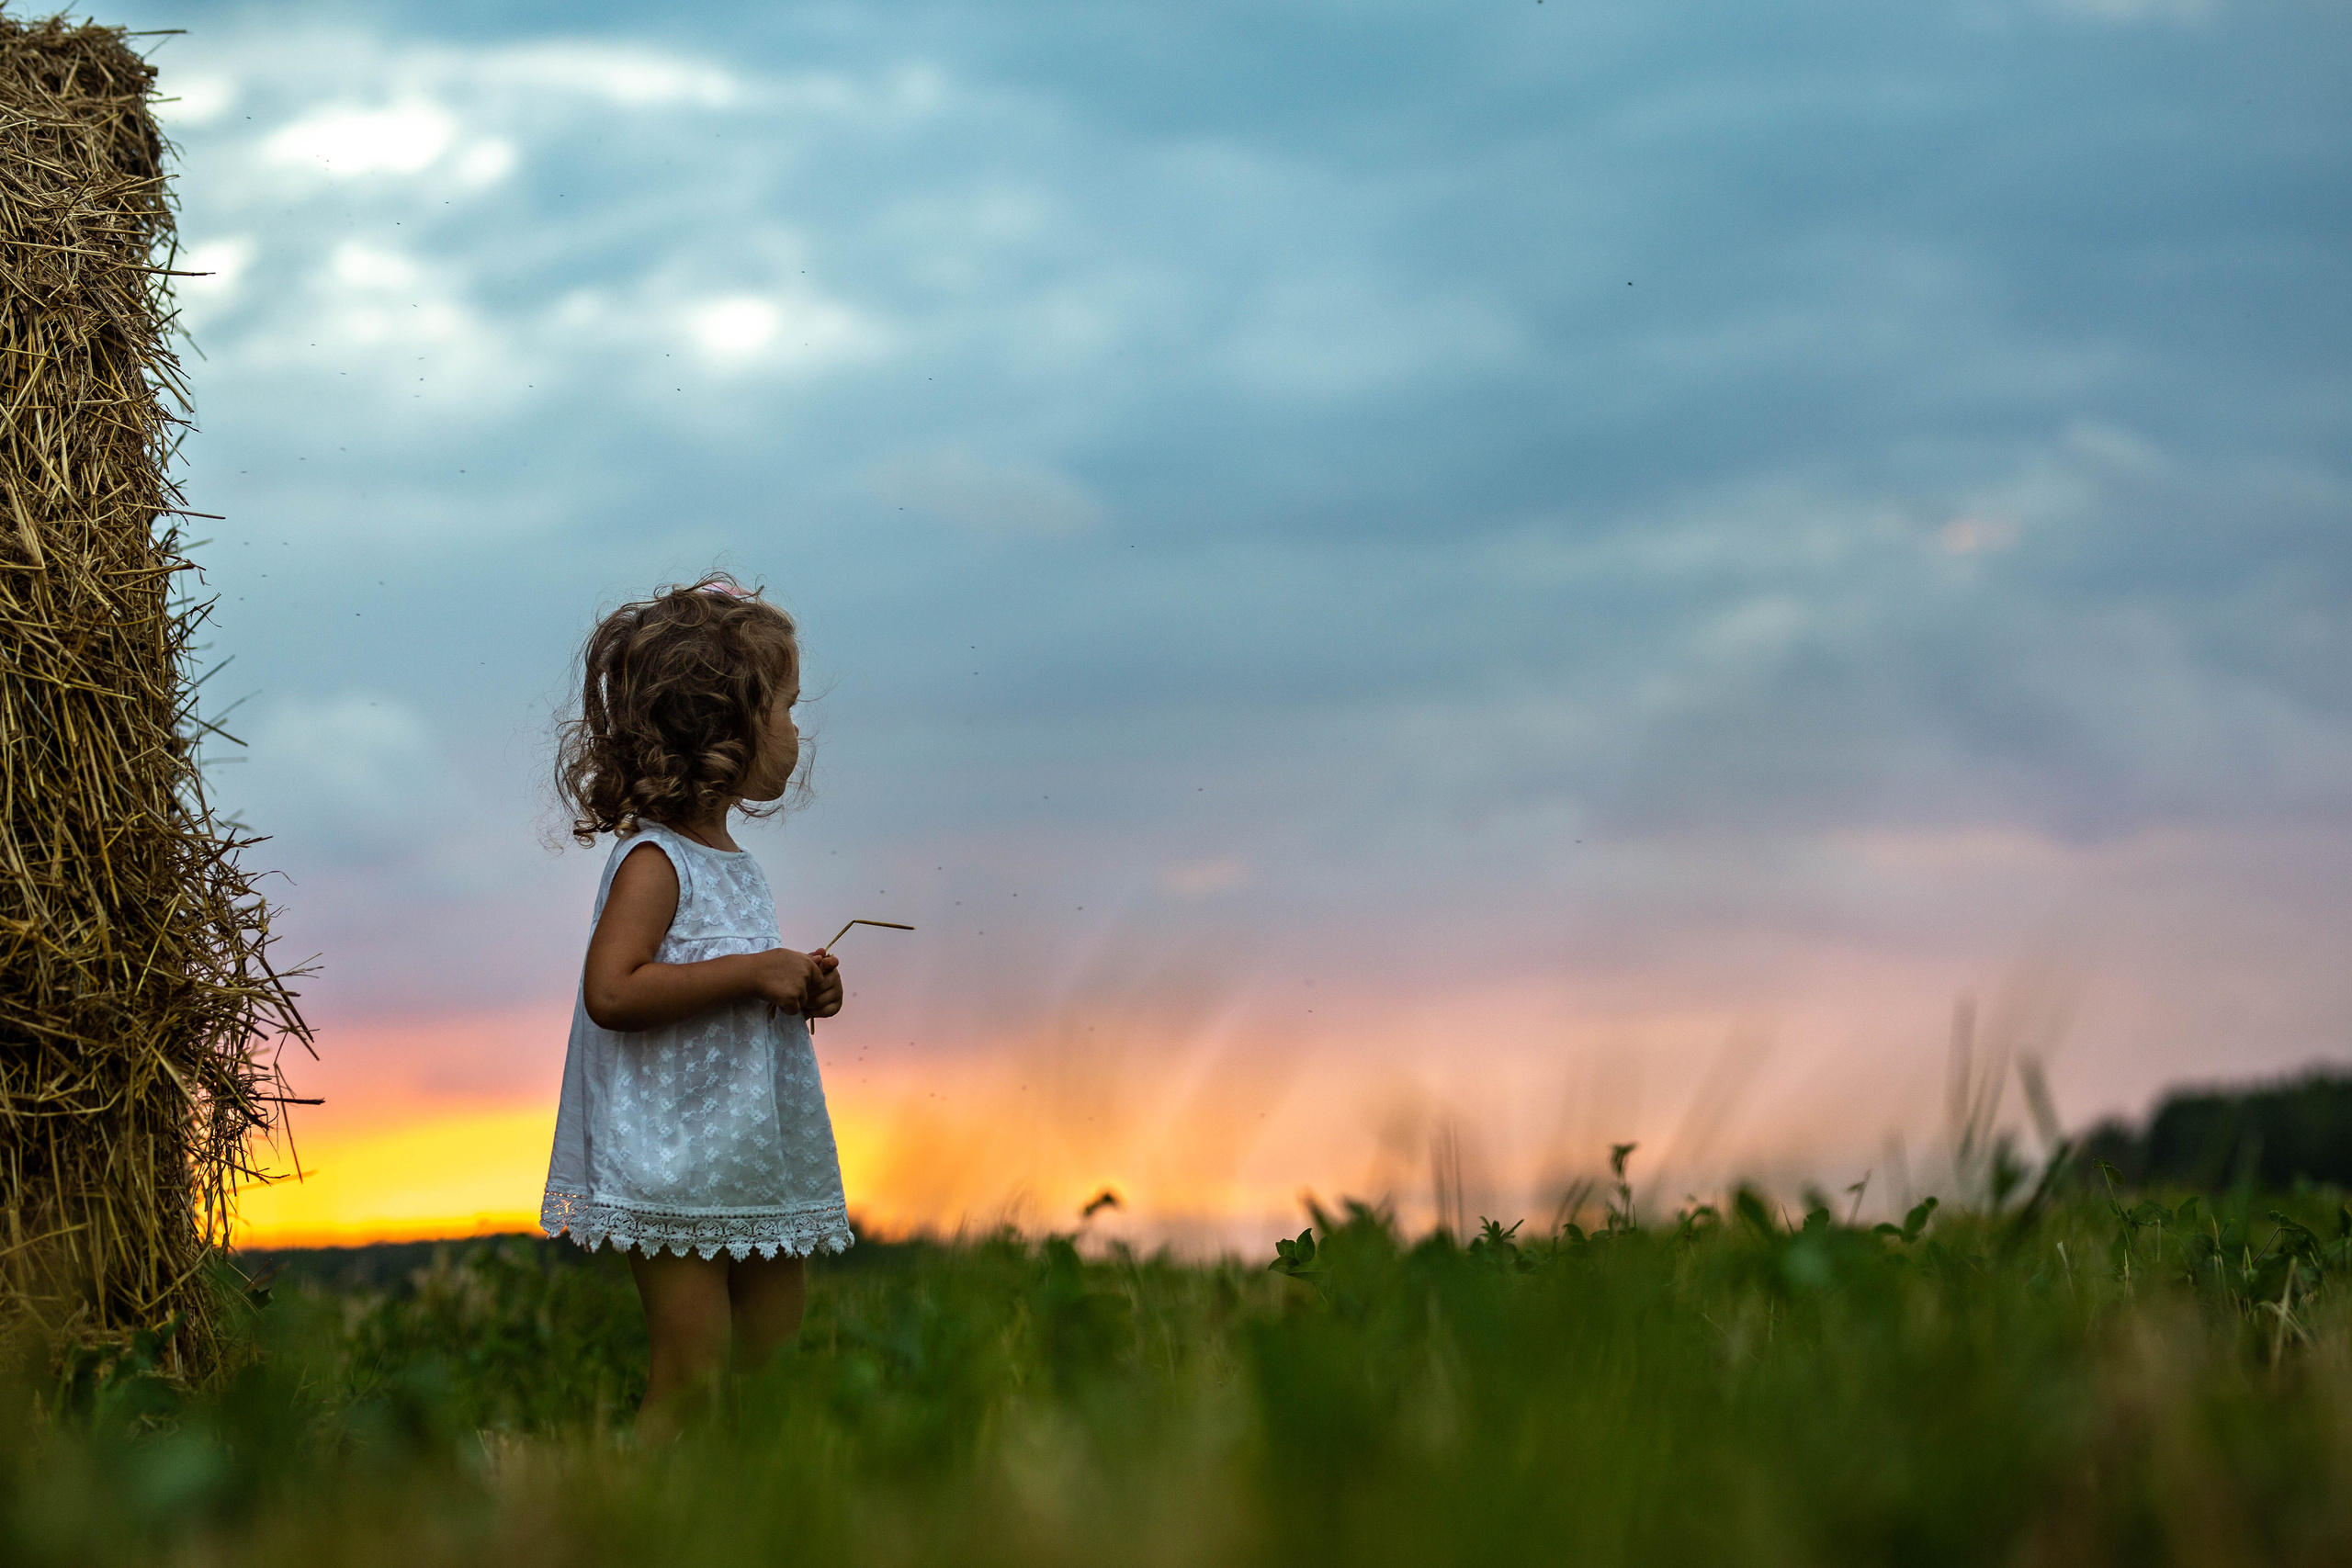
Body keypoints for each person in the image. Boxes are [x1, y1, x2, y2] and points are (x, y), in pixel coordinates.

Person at [540, 574, 853, 1438]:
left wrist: (801, 985)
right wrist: (755, 972)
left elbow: (740, 985)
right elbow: (613, 990)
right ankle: (613, 1525)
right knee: (693, 1373)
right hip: (675, 1159)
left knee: (772, 1360)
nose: (796, 731)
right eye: (785, 708)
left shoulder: (733, 863)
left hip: (750, 1153)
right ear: (725, 726)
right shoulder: (655, 860)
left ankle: (740, 1521)